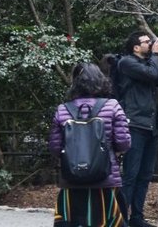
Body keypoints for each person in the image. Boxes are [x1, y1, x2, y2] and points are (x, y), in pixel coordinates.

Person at [48, 62, 132, 227]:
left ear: (75, 84)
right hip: (105, 179)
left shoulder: (62, 109)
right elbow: (123, 143)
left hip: (72, 181)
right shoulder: (112, 106)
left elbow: (55, 148)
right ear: (101, 80)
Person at [115, 32, 158, 227]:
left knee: (145, 175)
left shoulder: (150, 63)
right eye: (146, 42)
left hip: (151, 126)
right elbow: (151, 74)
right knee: (131, 175)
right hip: (134, 125)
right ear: (136, 47)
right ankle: (121, 220)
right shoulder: (126, 63)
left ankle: (137, 218)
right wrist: (155, 54)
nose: (151, 44)